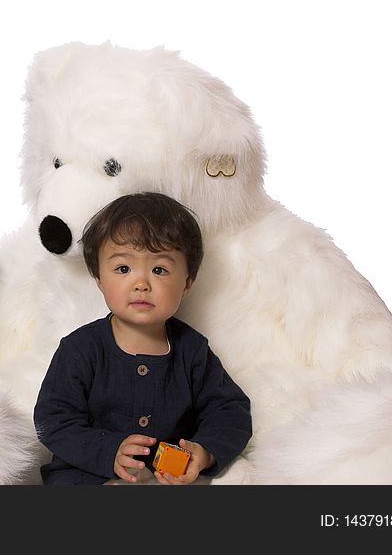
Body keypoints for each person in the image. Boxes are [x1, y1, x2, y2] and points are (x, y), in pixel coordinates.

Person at [33, 192, 252, 485]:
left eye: (159, 270)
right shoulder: (80, 349)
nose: (141, 284)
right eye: (123, 268)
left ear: (186, 283)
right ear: (99, 278)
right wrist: (108, 451)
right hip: (87, 473)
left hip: (164, 477)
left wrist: (205, 452)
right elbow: (53, 420)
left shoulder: (191, 350)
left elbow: (229, 410)